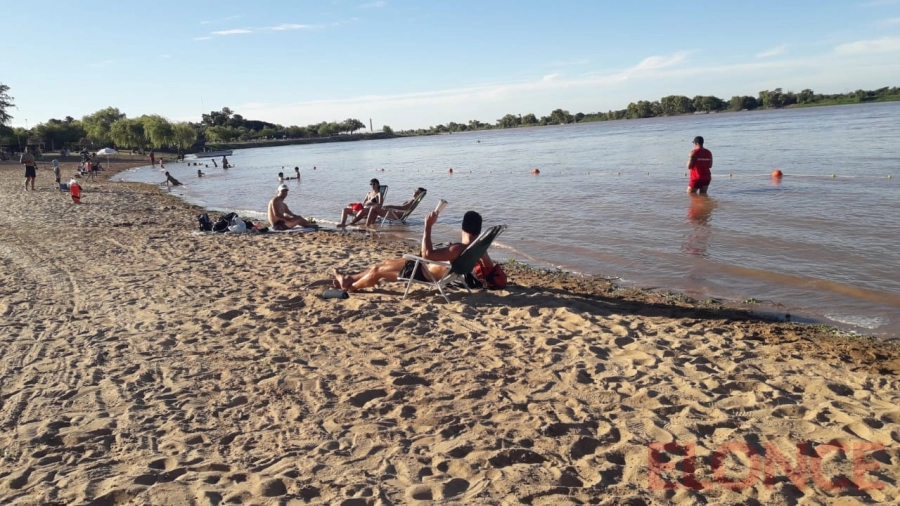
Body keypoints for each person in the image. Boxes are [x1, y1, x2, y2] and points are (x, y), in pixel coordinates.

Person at [333, 210, 492, 292]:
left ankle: (351, 287)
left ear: (463, 227)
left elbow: (427, 255)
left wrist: (427, 227)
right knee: (384, 263)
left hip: (421, 272)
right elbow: (489, 268)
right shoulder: (478, 248)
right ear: (478, 229)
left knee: (377, 270)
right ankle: (349, 278)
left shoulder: (458, 248)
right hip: (422, 265)